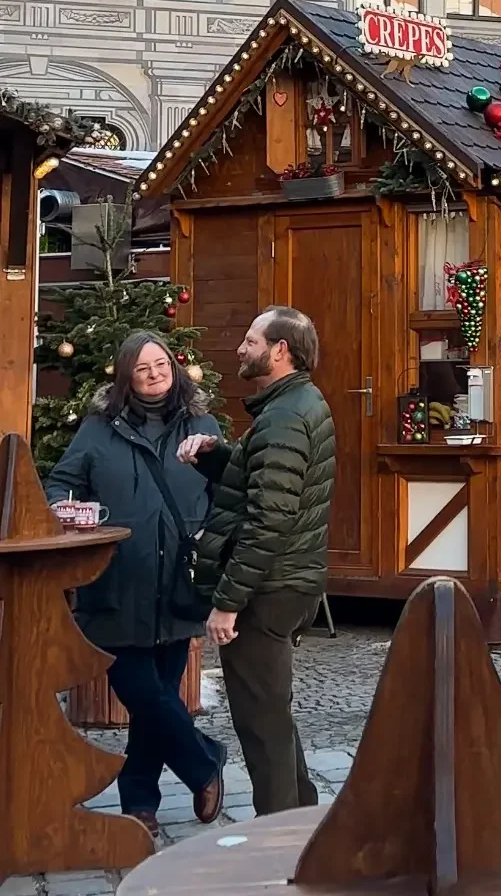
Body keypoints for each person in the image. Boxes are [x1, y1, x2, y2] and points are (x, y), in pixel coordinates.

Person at [45, 330, 226, 836]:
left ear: (173, 367)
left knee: (158, 697)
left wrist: (211, 527)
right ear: (127, 376)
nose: (154, 373)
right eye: (142, 367)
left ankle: (139, 806)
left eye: (161, 364)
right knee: (140, 690)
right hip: (115, 581)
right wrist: (63, 507)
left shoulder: (201, 425)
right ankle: (202, 761)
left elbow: (228, 489)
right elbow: (61, 480)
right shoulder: (99, 429)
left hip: (178, 582)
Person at [177, 307, 335, 816]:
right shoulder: (286, 408)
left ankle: (279, 840)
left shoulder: (286, 415)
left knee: (260, 721)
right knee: (271, 712)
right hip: (286, 580)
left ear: (280, 350)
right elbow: (263, 487)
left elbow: (270, 522)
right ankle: (302, 817)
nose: (241, 349)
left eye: (250, 340)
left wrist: (228, 603)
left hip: (271, 587)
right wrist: (216, 458)